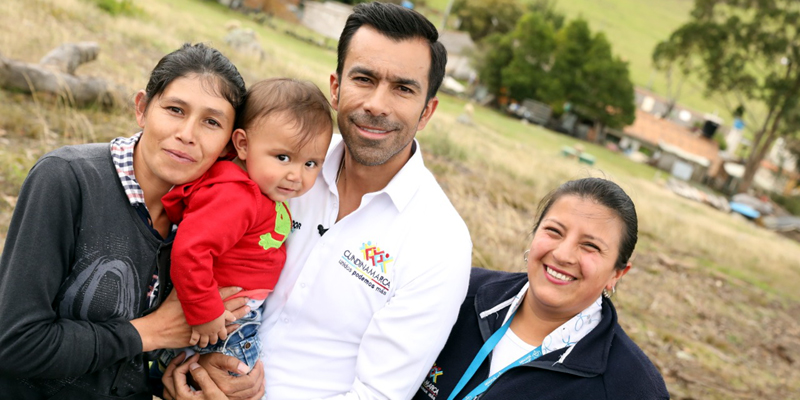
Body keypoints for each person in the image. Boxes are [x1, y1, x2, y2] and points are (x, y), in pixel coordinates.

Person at [169, 2, 472, 399]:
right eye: (364, 78)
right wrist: (196, 368)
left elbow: (378, 394)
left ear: (427, 111)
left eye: (403, 88)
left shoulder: (440, 242)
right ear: (335, 87)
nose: (377, 104)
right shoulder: (272, 164)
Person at [0, 43, 261, 399]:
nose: (187, 133)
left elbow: (140, 365)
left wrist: (191, 377)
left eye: (211, 122)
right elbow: (14, 343)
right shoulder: (66, 179)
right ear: (142, 108)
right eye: (174, 109)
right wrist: (149, 332)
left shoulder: (212, 224)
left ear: (230, 146)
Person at [413, 178, 670, 400]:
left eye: (590, 246)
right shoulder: (456, 292)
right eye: (554, 231)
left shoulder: (632, 387)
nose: (562, 254)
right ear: (534, 234)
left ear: (616, 273)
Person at [160, 78, 333, 368]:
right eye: (283, 157)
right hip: (222, 316)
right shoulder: (236, 195)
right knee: (236, 385)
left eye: (310, 164)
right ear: (242, 144)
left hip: (236, 310)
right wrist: (205, 312)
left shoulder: (262, 188)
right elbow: (190, 251)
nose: (296, 175)